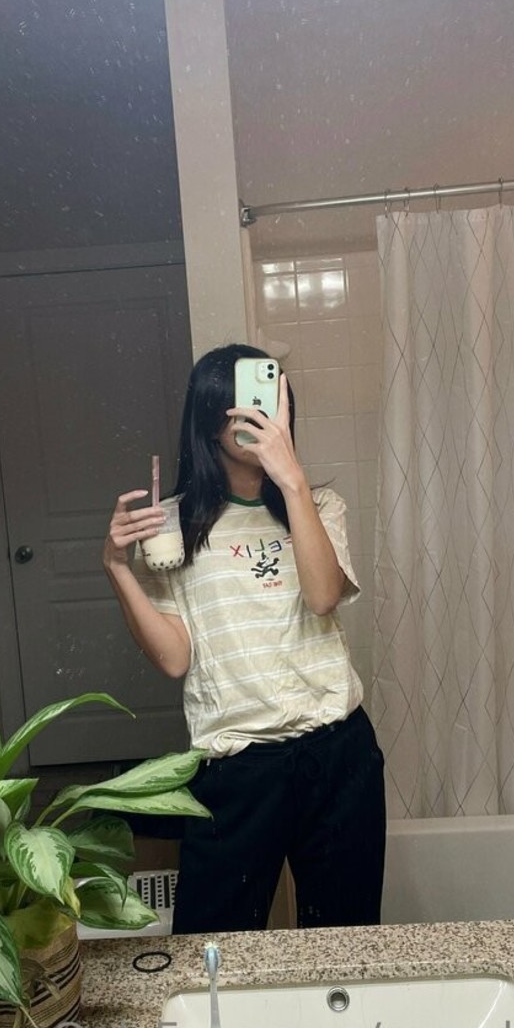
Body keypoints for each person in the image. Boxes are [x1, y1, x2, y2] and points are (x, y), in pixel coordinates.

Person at [103, 343, 385, 934]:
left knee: (345, 938)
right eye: (242, 404)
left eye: (271, 402)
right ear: (210, 420)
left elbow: (322, 597)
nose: (259, 416)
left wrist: (292, 481)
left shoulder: (320, 504)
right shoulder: (172, 525)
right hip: (238, 767)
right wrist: (117, 567)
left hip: (338, 754)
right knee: (214, 942)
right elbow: (174, 658)